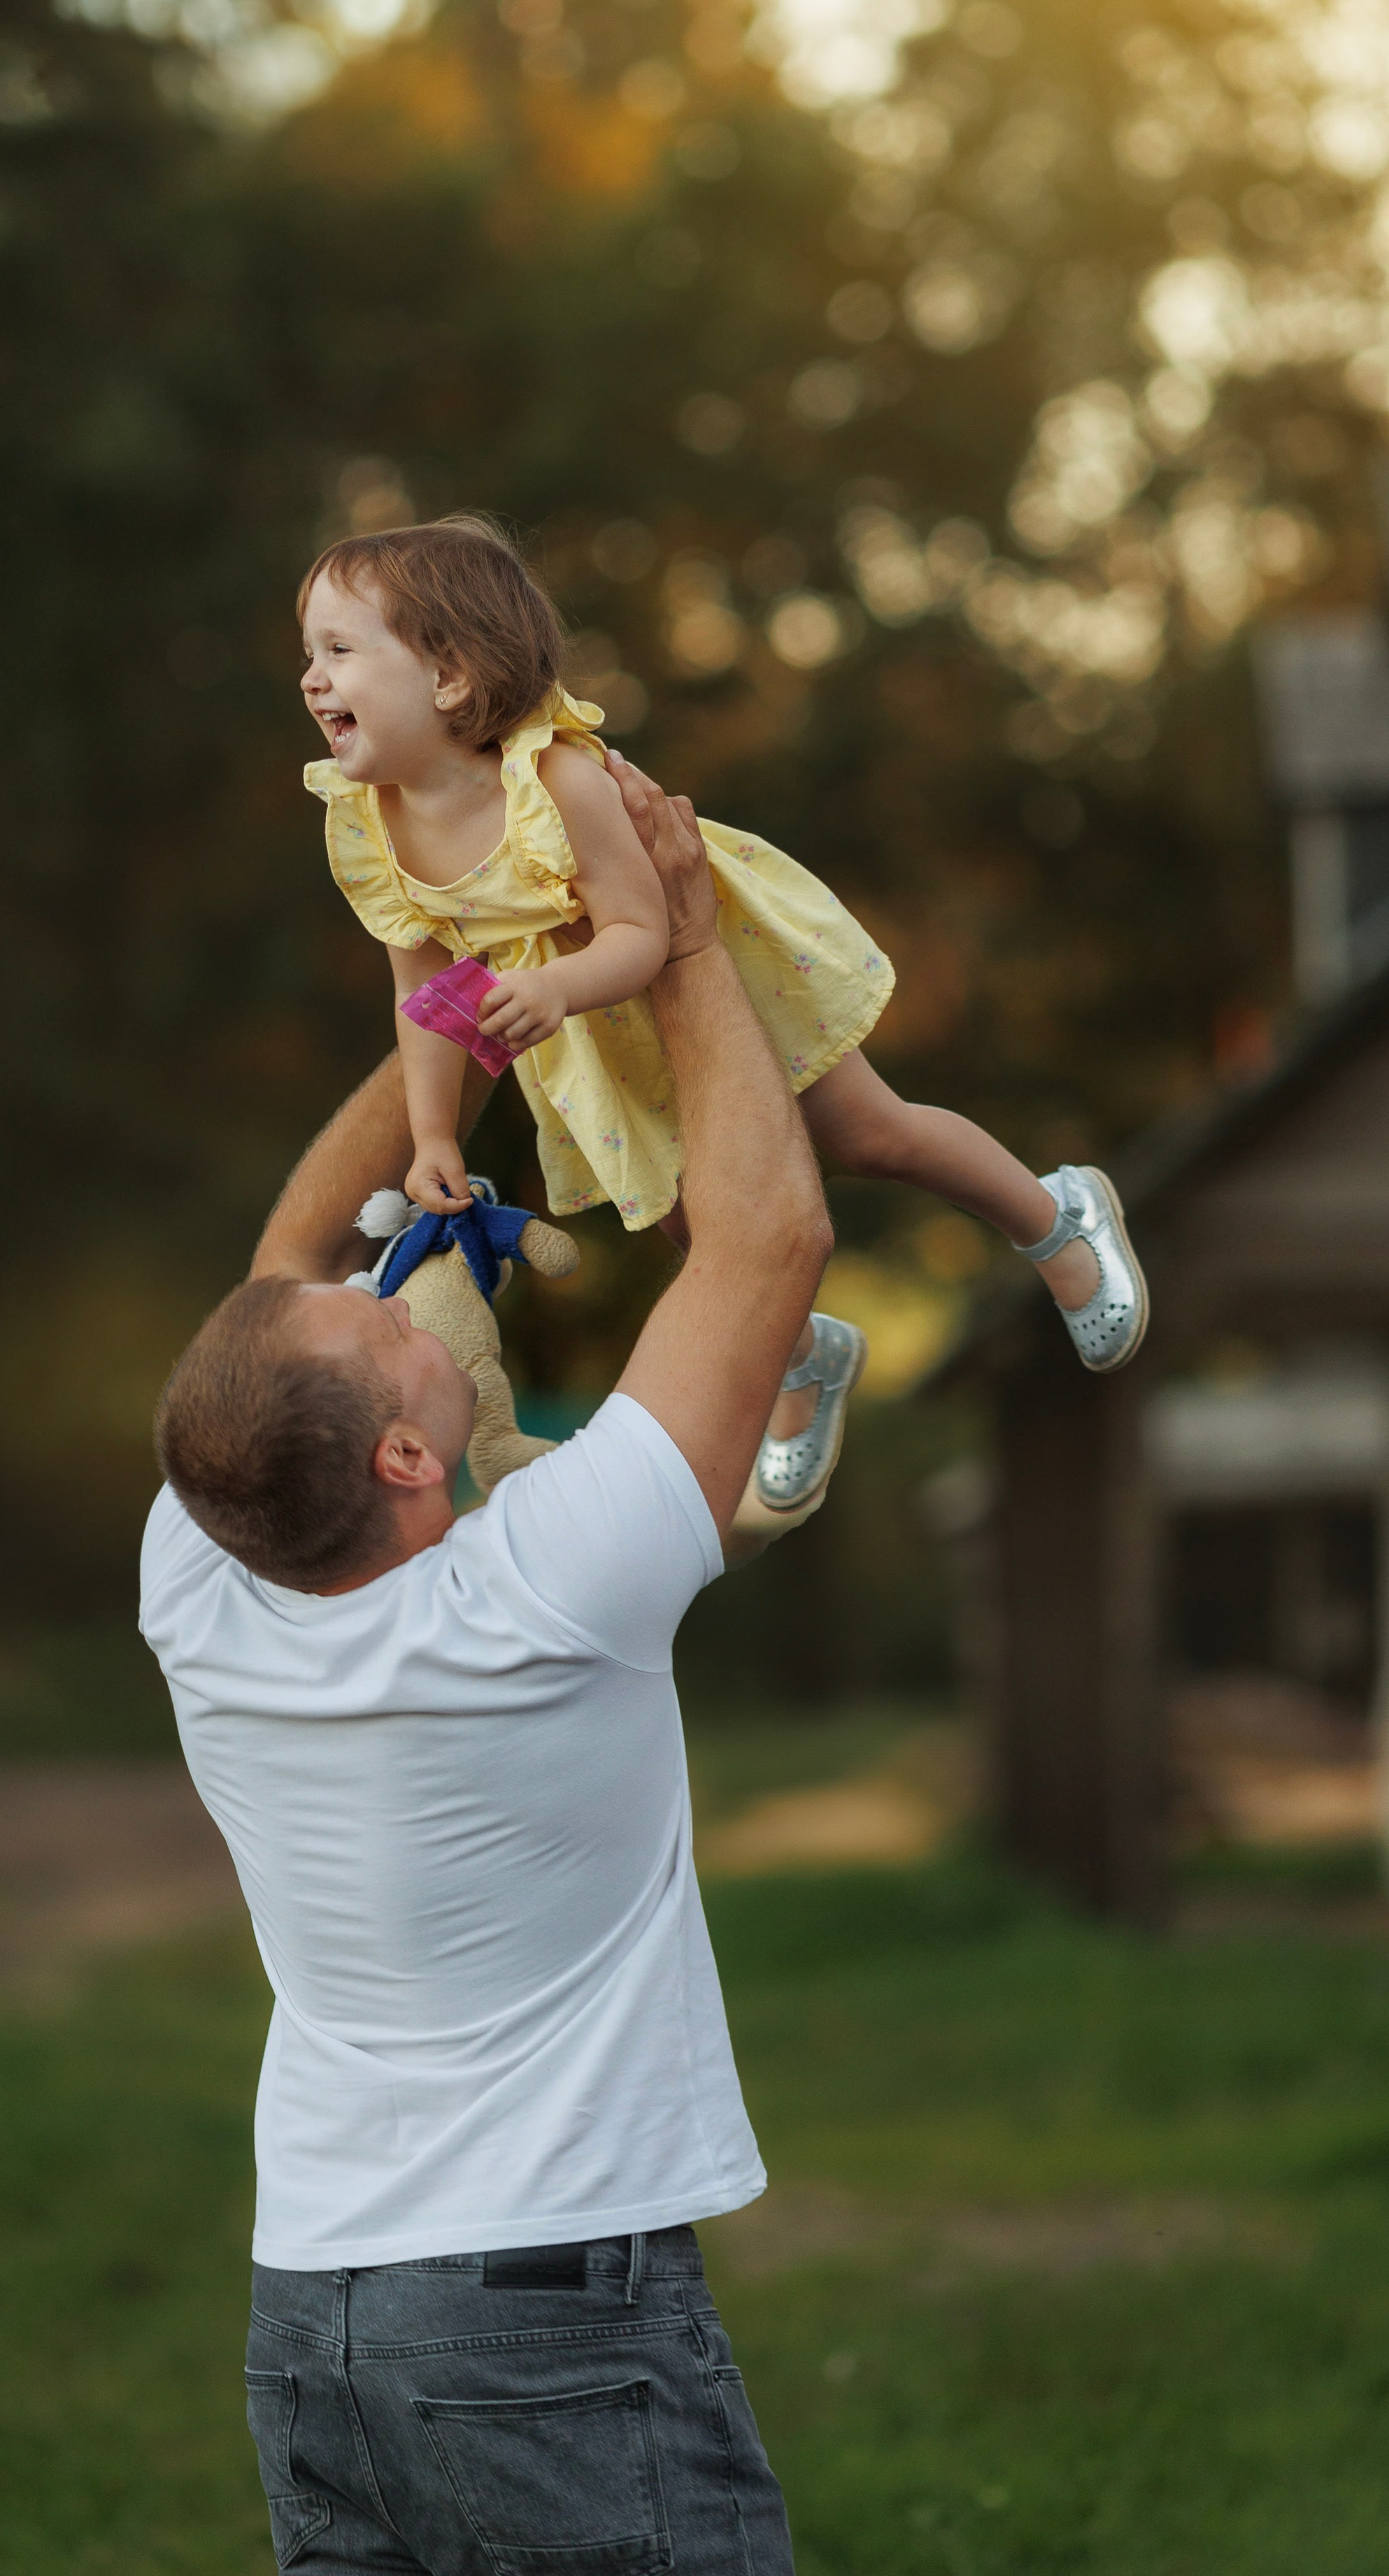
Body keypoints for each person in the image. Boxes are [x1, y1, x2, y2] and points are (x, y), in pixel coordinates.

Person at [140, 758, 827, 2573]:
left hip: (319, 2320)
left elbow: (281, 1276)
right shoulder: (545, 1589)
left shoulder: (206, 1572)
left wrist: (478, 992)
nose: (385, 1288)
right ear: (403, 1459)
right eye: (383, 1328)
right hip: (550, 2327)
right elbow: (770, 1240)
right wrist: (665, 931)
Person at [299, 513, 1149, 1517]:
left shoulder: (557, 783)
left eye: (340, 651)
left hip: (701, 987)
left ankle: (1053, 1219)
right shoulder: (367, 822)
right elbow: (425, 996)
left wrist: (558, 987)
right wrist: (434, 1132)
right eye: (307, 655)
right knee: (691, 1225)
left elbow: (642, 932)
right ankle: (802, 1355)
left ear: (447, 677)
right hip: (598, 1053)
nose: (312, 680)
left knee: (870, 1133)